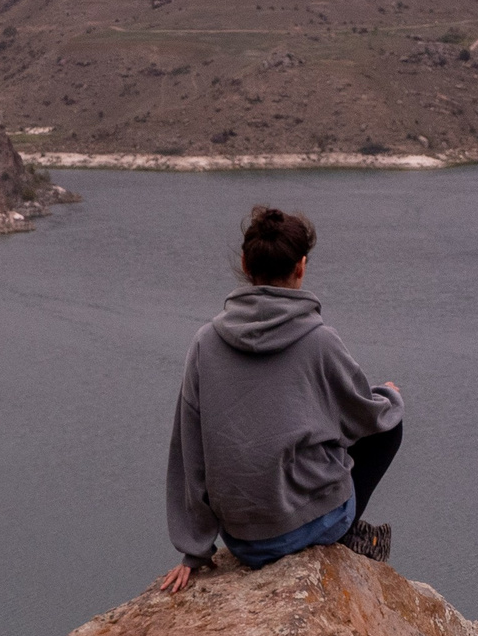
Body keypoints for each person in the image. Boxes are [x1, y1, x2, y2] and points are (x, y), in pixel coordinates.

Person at [160, 206, 402, 594]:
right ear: (301, 267)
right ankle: (346, 531)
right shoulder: (320, 340)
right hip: (309, 526)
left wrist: (194, 550)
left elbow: (188, 449)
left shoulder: (205, 342)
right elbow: (365, 414)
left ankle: (340, 526)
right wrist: (389, 395)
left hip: (242, 540)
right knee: (390, 424)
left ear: (244, 264)